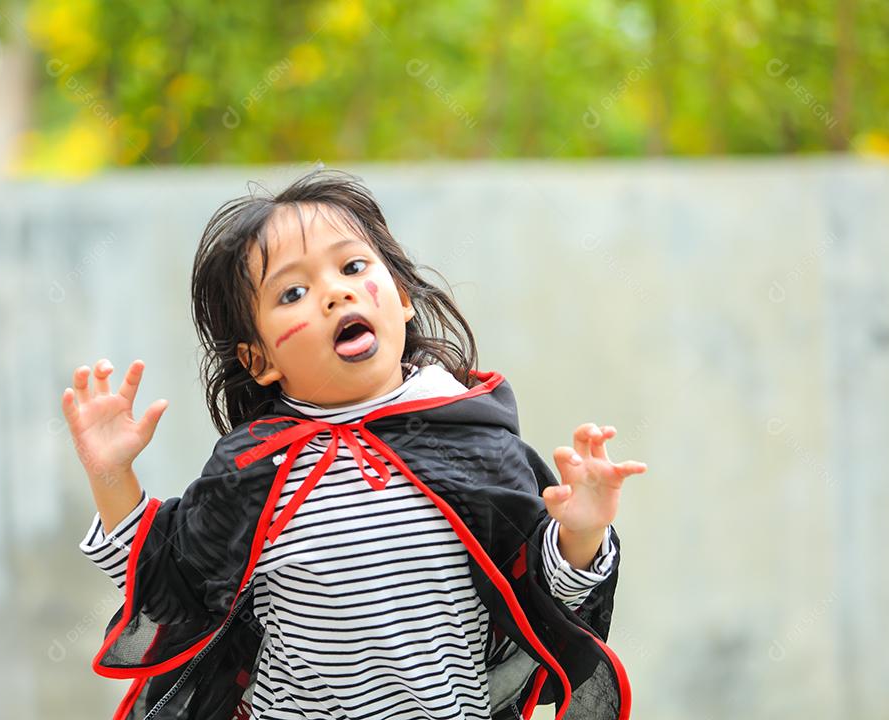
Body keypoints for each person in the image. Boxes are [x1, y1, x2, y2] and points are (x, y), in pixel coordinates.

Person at [61, 168, 648, 720]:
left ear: (402, 299)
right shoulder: (252, 467)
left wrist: (582, 532)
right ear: (259, 359)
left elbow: (543, 596)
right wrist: (110, 475)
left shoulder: (471, 439)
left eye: (352, 268)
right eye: (291, 293)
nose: (335, 294)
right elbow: (172, 588)